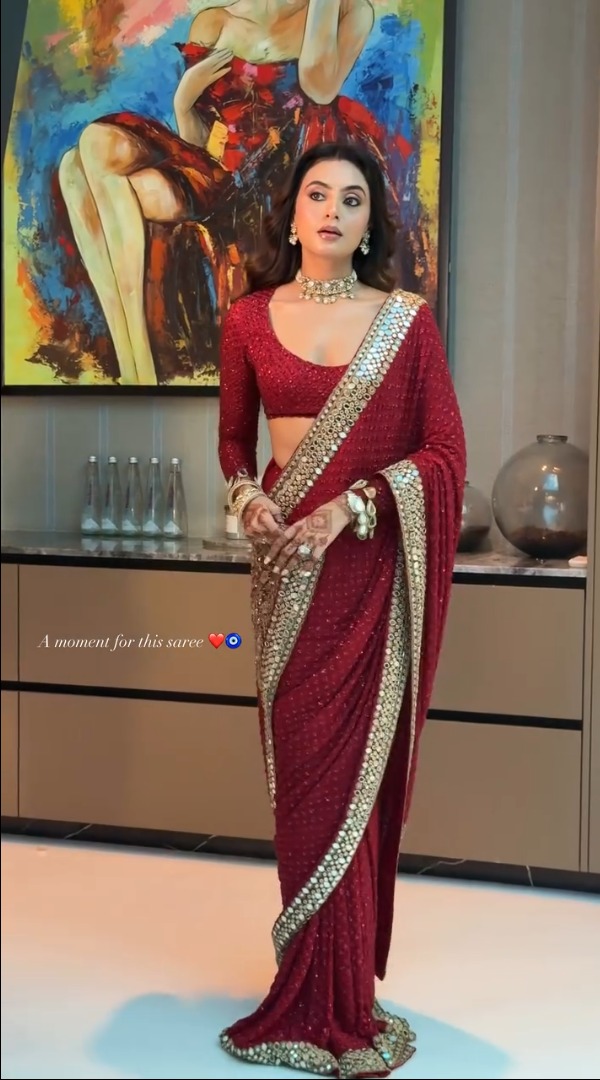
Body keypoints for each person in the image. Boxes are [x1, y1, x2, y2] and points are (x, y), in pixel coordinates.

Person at [217, 140, 466, 1077]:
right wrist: (251, 499)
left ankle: (344, 999)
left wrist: (351, 507)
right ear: (291, 214)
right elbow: (232, 444)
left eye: (351, 199)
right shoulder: (247, 319)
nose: (331, 210)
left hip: (366, 580)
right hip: (286, 577)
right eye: (316, 194)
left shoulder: (406, 324)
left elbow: (445, 453)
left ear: (369, 224)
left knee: (353, 785)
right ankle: (303, 986)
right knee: (305, 790)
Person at [55, 0, 418, 387]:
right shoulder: (214, 21)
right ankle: (134, 361)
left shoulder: (349, 13)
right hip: (209, 170)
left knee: (86, 170)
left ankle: (138, 371)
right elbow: (197, 140)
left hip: (258, 185)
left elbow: (319, 86)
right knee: (78, 162)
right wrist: (183, 102)